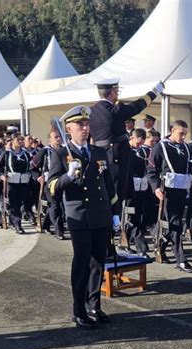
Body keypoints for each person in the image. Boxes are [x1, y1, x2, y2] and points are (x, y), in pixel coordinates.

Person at [48, 105, 119, 329]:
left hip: (101, 215)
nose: (85, 128)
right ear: (69, 128)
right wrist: (68, 176)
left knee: (98, 262)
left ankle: (93, 306)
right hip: (80, 216)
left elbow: (108, 185)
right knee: (82, 264)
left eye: (87, 124)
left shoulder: (98, 152)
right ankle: (78, 310)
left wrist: (115, 213)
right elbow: (52, 187)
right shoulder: (61, 154)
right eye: (80, 125)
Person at [89, 78, 164, 204]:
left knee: (103, 189)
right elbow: (138, 106)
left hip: (99, 155)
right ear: (112, 93)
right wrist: (155, 91)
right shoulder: (116, 110)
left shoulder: (91, 111)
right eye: (117, 92)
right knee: (117, 192)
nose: (117, 94)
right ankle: (115, 220)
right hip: (116, 156)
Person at [149, 120, 192, 272]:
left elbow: (190, 167)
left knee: (171, 223)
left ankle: (160, 245)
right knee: (175, 224)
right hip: (167, 191)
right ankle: (181, 259)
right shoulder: (161, 146)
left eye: (185, 134)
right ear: (172, 130)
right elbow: (151, 170)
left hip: (182, 190)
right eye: (180, 133)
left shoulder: (185, 147)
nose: (183, 137)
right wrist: (156, 187)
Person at [30, 130, 65, 239]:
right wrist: (38, 177)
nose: (58, 138)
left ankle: (45, 225)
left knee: (59, 205)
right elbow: (32, 166)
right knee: (55, 206)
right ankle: (59, 231)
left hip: (63, 181)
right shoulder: (44, 151)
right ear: (50, 139)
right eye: (56, 137)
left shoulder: (65, 150)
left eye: (59, 136)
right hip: (49, 182)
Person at [0, 133, 32, 234]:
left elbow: (31, 167)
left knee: (21, 203)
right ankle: (18, 225)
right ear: (12, 141)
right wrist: (2, 175)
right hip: (11, 183)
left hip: (23, 183)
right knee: (13, 204)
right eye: (18, 139)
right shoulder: (6, 153)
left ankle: (13, 222)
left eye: (21, 140)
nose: (20, 141)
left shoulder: (25, 154)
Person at [124, 128, 151, 257]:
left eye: (142, 143)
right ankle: (141, 247)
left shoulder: (144, 152)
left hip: (141, 188)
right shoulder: (125, 152)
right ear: (132, 138)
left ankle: (127, 242)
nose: (139, 145)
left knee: (137, 217)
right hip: (129, 189)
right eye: (138, 143)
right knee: (131, 218)